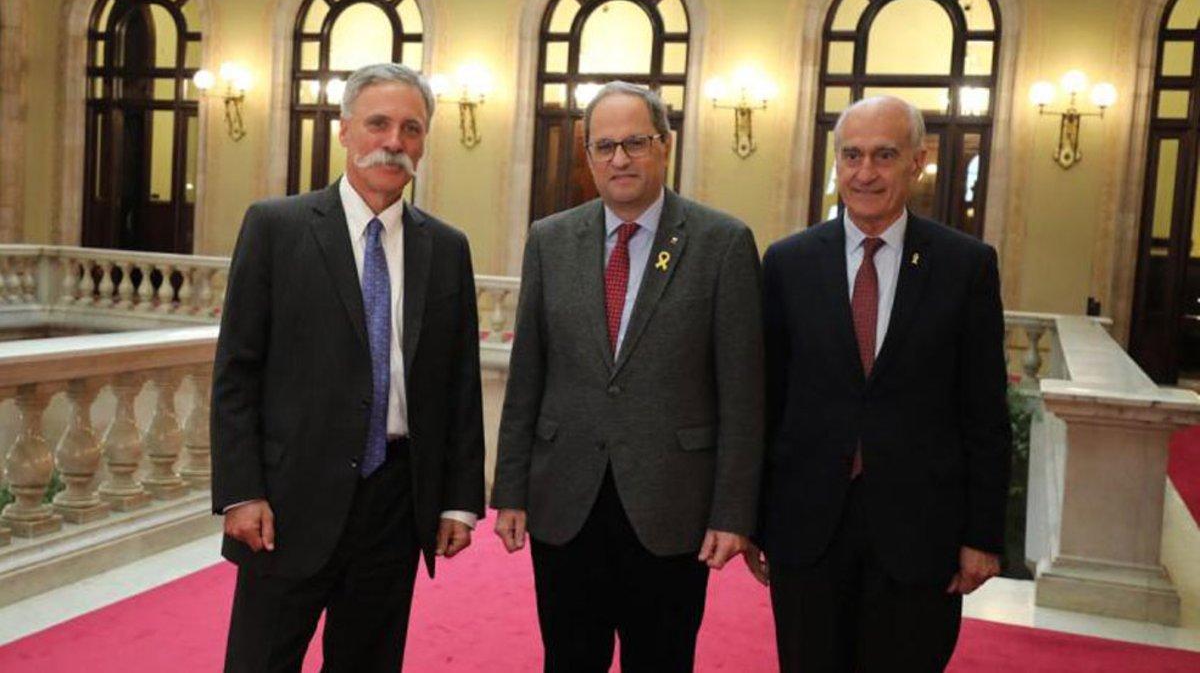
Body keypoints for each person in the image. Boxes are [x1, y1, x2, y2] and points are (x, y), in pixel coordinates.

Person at [211, 62, 485, 672]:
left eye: (411, 129)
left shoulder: (445, 248)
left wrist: (459, 501)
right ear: (344, 130)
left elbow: (460, 384)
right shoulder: (275, 228)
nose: (394, 142)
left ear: (424, 142)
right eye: (379, 123)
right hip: (285, 504)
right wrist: (241, 491)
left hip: (396, 501)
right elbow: (237, 372)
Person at [491, 81, 764, 672]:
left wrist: (732, 512)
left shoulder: (722, 244)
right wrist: (509, 490)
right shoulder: (550, 240)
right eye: (604, 145)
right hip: (565, 501)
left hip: (672, 505)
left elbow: (743, 395)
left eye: (635, 143)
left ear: (664, 146)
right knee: (568, 658)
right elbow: (528, 375)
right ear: (587, 155)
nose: (619, 159)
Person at [750, 95, 1012, 671]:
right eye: (852, 155)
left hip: (921, 534)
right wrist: (751, 520)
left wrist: (983, 535)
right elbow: (765, 401)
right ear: (836, 163)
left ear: (918, 162)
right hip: (807, 527)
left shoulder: (964, 266)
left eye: (885, 155)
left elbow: (985, 411)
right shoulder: (788, 262)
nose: (865, 172)